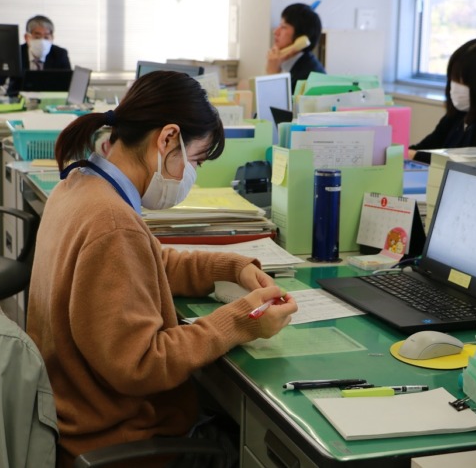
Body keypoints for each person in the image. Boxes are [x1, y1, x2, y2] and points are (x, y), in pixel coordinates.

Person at [26, 70, 297, 466]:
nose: (193, 175)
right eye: (196, 161)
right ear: (168, 138)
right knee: (248, 438)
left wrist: (230, 266)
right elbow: (143, 364)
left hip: (75, 416)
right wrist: (242, 321)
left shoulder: (79, 184)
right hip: (118, 441)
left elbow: (145, 265)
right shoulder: (112, 223)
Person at [0, 14, 71, 98]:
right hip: (17, 101)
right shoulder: (14, 52)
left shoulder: (60, 54)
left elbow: (69, 83)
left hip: (49, 102)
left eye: (46, 37)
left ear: (52, 38)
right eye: (37, 37)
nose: (42, 42)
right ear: (27, 37)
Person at [265, 3, 326, 90]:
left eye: (283, 27)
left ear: (302, 38)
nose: (276, 32)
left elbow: (274, 103)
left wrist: (272, 74)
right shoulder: (290, 65)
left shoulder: (308, 76)